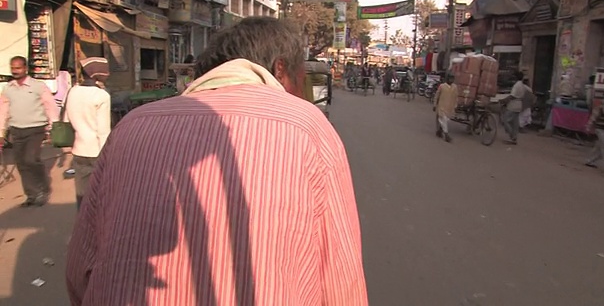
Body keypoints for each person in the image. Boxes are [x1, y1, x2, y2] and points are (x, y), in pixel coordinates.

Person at [66, 17, 368, 306]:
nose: (301, 93)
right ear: (280, 69)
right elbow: (340, 275)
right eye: (301, 80)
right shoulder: (306, 125)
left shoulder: (132, 125)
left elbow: (80, 269)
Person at [0, 56, 58, 207]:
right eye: (13, 68)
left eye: (18, 68)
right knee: (21, 163)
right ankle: (31, 195)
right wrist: (1, 133)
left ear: (25, 68)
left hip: (35, 129)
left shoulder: (38, 86)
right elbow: (3, 112)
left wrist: (54, 128)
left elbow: (50, 106)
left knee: (31, 160)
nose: (15, 71)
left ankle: (43, 189)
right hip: (16, 130)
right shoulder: (8, 88)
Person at [64, 57, 111, 209]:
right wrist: (107, 155)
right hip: (97, 151)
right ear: (97, 74)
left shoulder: (73, 91)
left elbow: (67, 119)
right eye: (105, 72)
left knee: (82, 193)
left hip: (78, 149)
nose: (108, 74)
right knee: (101, 192)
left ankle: (82, 224)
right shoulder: (101, 96)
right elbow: (103, 131)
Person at [501, 71, 526, 145]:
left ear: (515, 77)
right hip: (519, 104)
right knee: (515, 123)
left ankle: (512, 136)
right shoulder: (523, 85)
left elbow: (512, 96)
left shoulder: (516, 85)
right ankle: (514, 138)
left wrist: (504, 100)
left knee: (506, 120)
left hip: (513, 104)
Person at [433, 74, 458, 143]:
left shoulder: (455, 87)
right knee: (443, 120)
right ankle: (446, 135)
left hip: (450, 107)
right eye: (450, 79)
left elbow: (456, 97)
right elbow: (437, 96)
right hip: (441, 106)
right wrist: (435, 105)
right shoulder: (442, 86)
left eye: (452, 79)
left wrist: (455, 106)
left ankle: (439, 131)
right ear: (447, 79)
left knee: (446, 120)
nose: (451, 80)